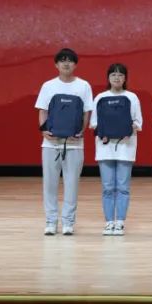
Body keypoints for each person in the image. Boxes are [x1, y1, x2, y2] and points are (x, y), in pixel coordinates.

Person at [34, 47, 93, 236]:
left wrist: (81, 131)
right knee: (49, 184)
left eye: (70, 60)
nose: (66, 64)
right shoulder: (48, 86)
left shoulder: (83, 86)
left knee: (72, 184)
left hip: (75, 145)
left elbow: (86, 112)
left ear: (75, 64)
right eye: (62, 60)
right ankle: (51, 222)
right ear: (56, 64)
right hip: (50, 145)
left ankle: (68, 222)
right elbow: (42, 110)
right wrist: (44, 131)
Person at [91, 62, 142, 236]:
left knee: (123, 187)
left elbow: (138, 122)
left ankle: (120, 222)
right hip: (105, 148)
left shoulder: (132, 97)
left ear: (125, 78)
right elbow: (94, 123)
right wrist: (103, 133)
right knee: (107, 187)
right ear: (108, 78)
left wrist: (129, 129)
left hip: (126, 148)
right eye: (113, 74)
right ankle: (108, 222)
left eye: (120, 75)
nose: (117, 78)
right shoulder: (100, 97)